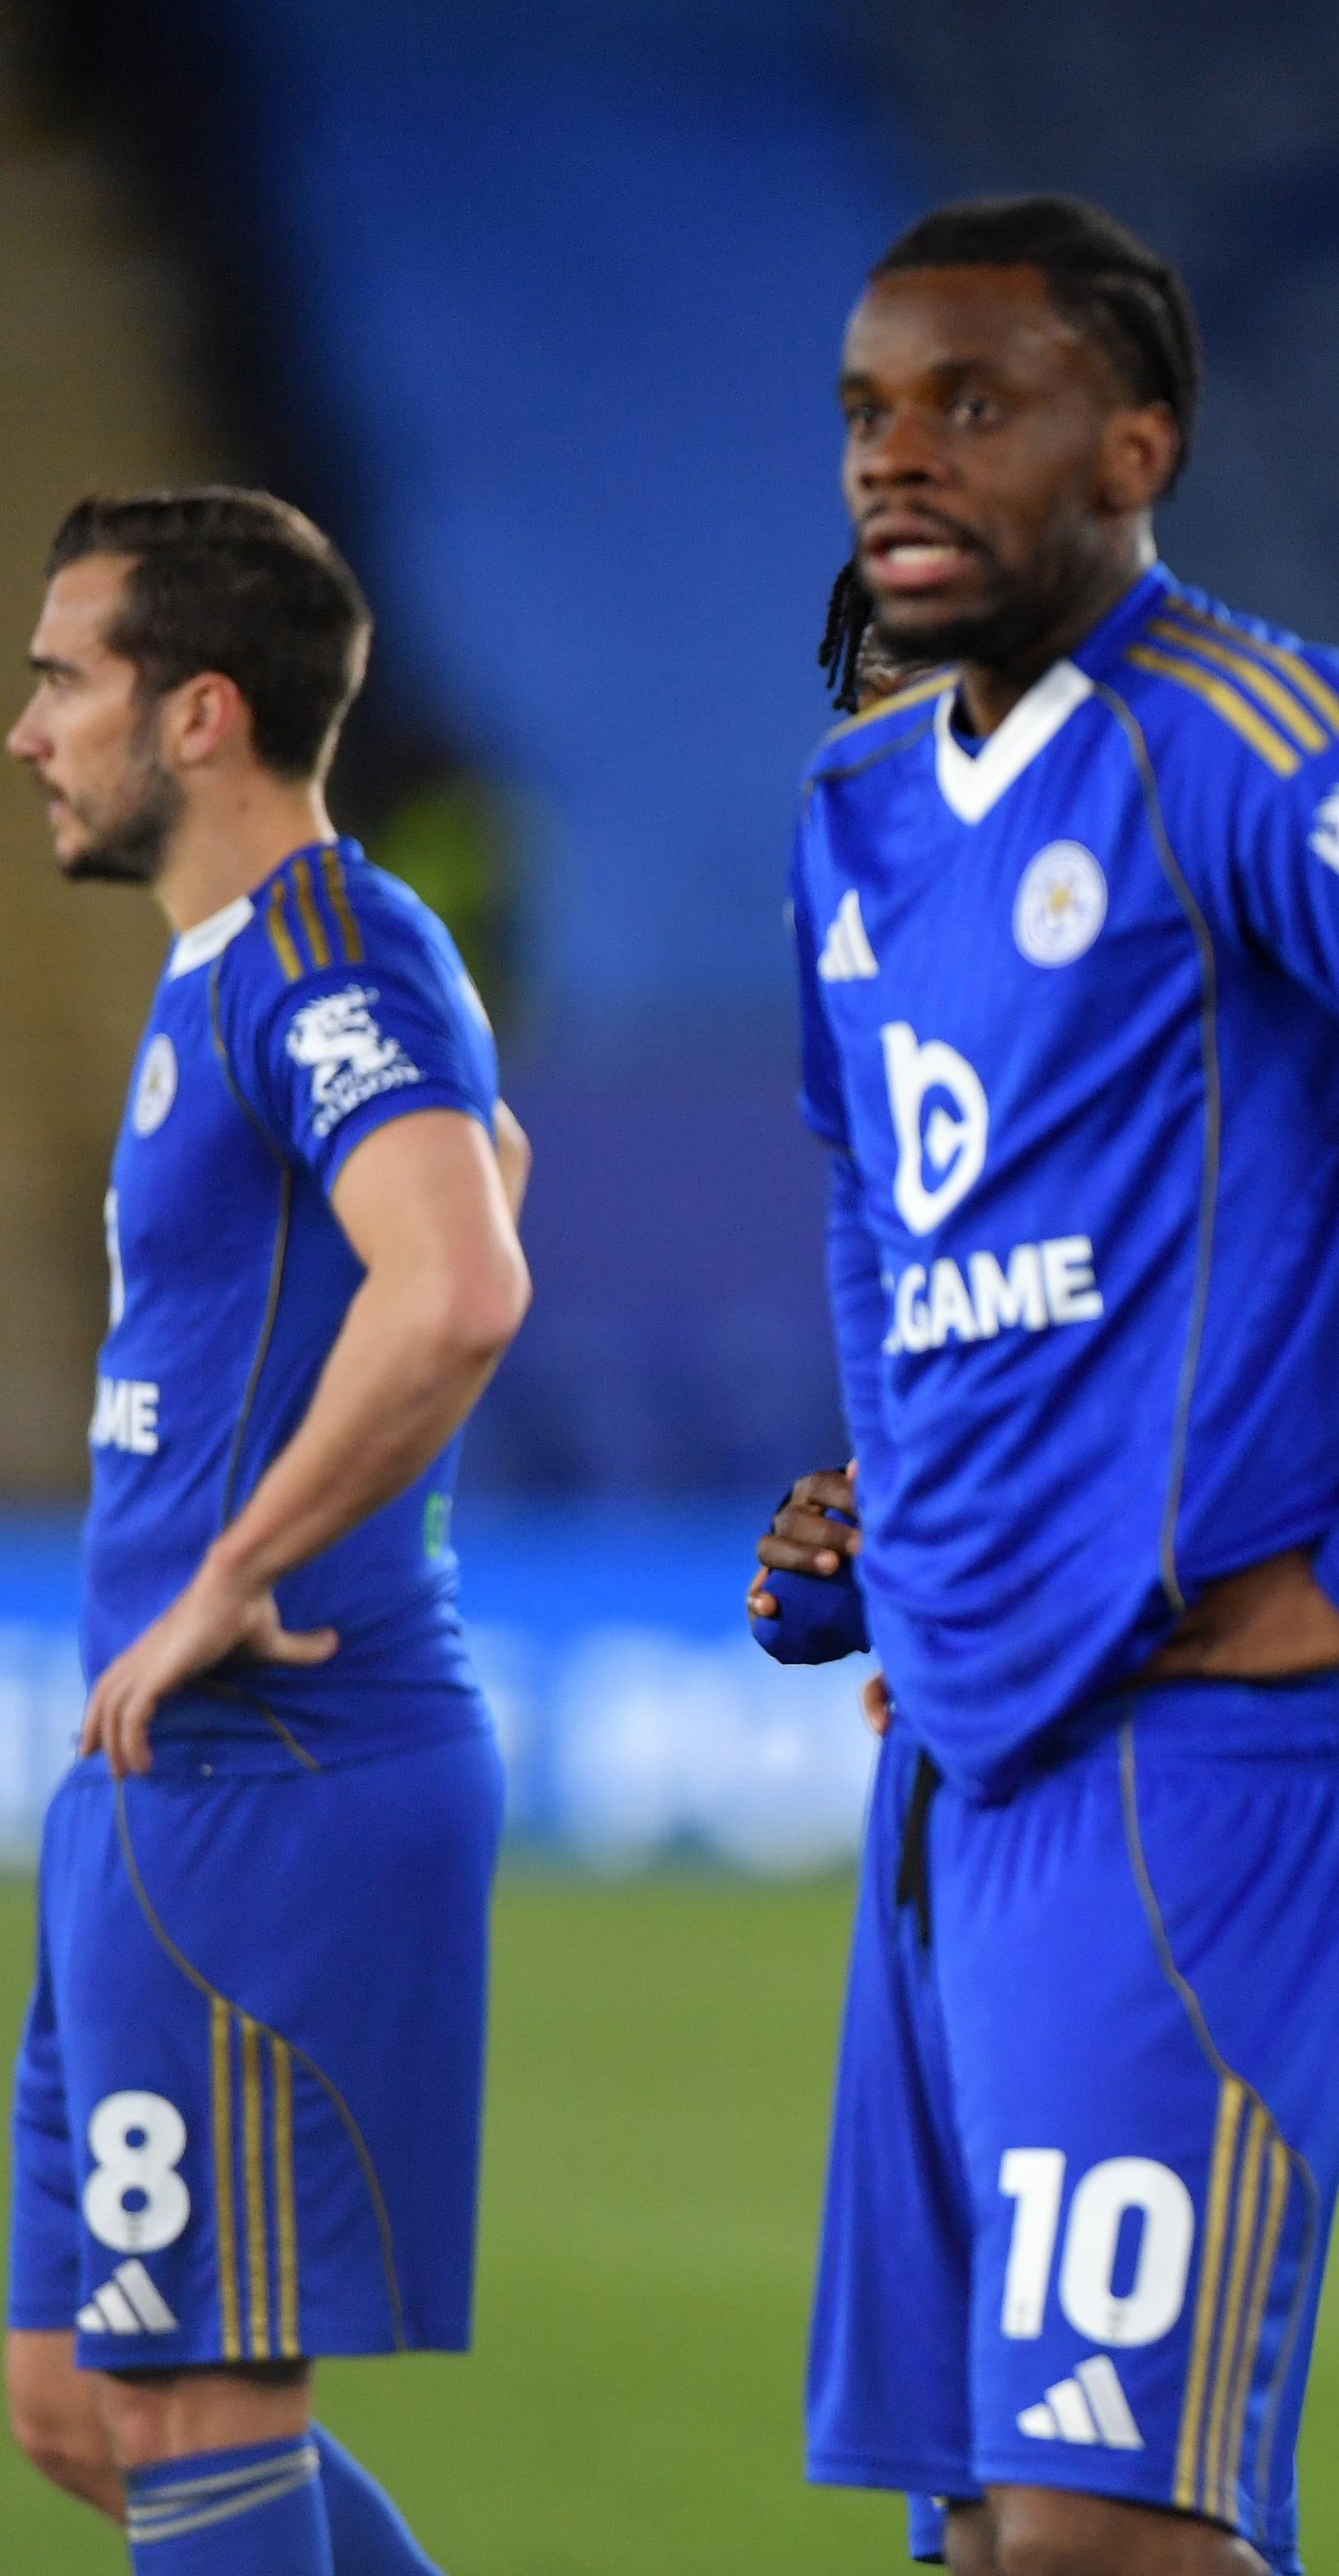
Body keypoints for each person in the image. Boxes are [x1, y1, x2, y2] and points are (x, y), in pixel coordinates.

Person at [740, 194, 1339, 2576]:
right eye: (870, 409)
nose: (902, 457)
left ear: (1138, 437)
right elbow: (883, 1209)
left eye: (978, 402)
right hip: (968, 1754)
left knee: (1098, 2529)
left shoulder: (1266, 734)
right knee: (989, 2535)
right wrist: (927, 1529)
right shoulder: (851, 817)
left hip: (1206, 1750)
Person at [7, 488, 530, 2576]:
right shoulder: (255, 969)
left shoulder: (323, 953)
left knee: (200, 2405)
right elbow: (480, 1185)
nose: (29, 727)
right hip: (153, 1778)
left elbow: (461, 1278)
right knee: (74, 2394)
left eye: (65, 680)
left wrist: (239, 1567)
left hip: (276, 1766)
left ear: (199, 714)